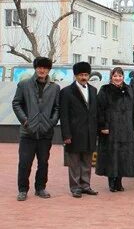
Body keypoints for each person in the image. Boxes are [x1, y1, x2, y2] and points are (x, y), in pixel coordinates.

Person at [13, 57, 60, 201]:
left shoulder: (55, 87)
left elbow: (57, 108)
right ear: (35, 68)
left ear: (49, 70)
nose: (42, 70)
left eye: (45, 68)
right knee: (25, 162)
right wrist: (25, 121)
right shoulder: (24, 84)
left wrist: (51, 122)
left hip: (46, 133)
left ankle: (40, 188)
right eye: (39, 67)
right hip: (28, 132)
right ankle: (22, 190)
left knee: (43, 162)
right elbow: (16, 103)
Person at [60, 62, 99, 198]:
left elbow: (95, 113)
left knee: (87, 162)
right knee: (74, 162)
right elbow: (63, 115)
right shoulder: (66, 92)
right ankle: (75, 187)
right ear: (76, 75)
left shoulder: (93, 90)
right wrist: (66, 135)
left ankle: (86, 185)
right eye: (81, 75)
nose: (84, 77)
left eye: (86, 75)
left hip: (90, 133)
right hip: (74, 133)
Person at [95, 67, 134, 192]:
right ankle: (112, 181)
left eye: (120, 76)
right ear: (111, 77)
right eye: (115, 76)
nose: (118, 78)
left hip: (126, 129)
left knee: (124, 156)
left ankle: (119, 181)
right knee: (111, 155)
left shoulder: (129, 89)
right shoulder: (105, 90)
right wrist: (103, 126)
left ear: (123, 77)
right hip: (111, 128)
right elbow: (100, 110)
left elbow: (132, 108)